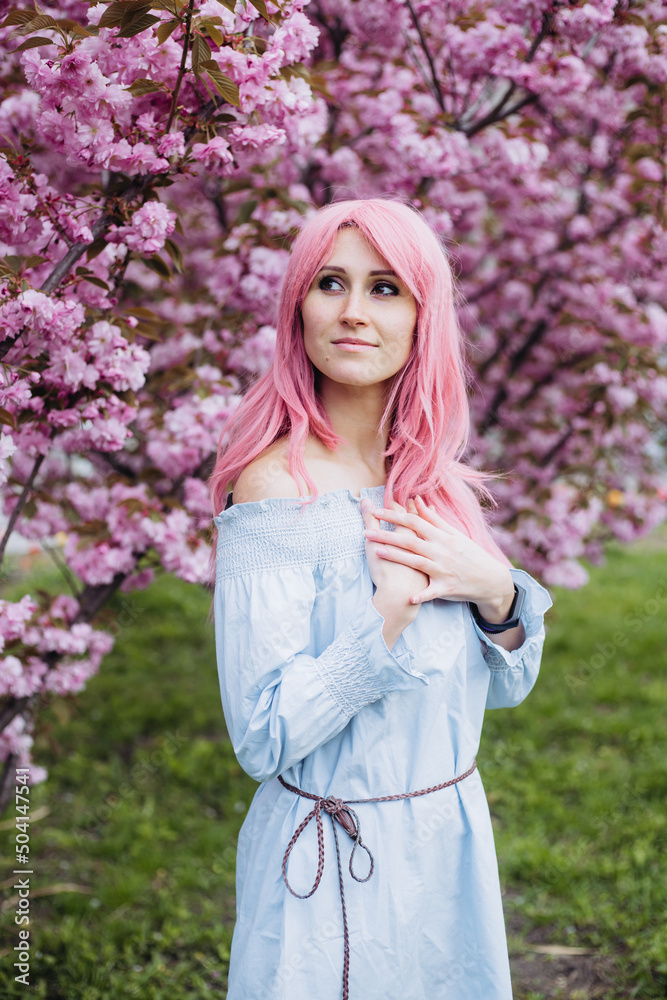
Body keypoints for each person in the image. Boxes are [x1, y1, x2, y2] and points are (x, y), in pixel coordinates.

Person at [208, 198, 553, 1000]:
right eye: (331, 282)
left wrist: (496, 591)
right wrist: (382, 622)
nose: (354, 312)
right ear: (297, 306)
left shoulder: (435, 487)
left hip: (445, 845)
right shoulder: (273, 490)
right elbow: (261, 737)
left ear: (421, 316)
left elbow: (506, 685)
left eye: (385, 288)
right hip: (329, 863)